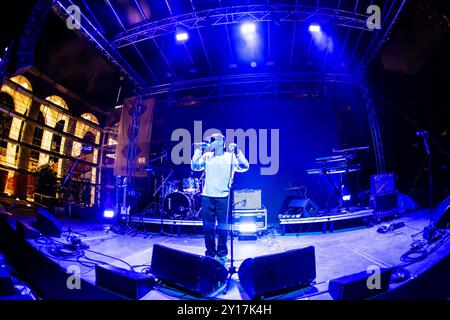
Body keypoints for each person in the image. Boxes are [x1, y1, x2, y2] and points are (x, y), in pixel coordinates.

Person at [191, 133, 249, 264]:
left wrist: (238, 152)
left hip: (223, 197)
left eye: (213, 139)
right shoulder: (207, 156)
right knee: (208, 228)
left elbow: (245, 166)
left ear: (221, 142)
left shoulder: (230, 157)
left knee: (223, 228)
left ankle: (222, 254)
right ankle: (210, 254)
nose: (210, 142)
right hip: (207, 196)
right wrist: (198, 150)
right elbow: (194, 166)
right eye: (210, 140)